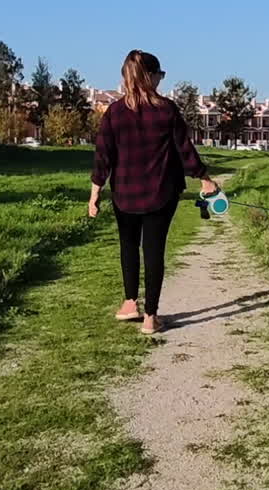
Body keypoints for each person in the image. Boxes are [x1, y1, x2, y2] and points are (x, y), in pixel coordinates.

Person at [90, 50, 218, 334]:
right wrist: (204, 178)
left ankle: (129, 303)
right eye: (160, 75)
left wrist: (95, 191)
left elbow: (103, 156)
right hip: (162, 191)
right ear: (150, 77)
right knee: (154, 250)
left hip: (125, 193)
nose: (161, 80)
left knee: (128, 246)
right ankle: (150, 317)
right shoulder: (167, 109)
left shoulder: (114, 113)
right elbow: (184, 149)